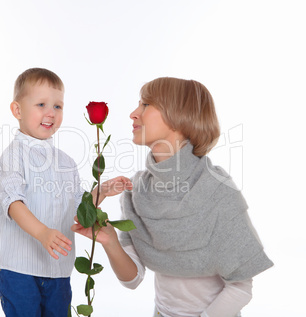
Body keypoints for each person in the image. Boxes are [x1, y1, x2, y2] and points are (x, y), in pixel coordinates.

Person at [72, 77, 274, 317]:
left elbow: (241, 286)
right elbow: (132, 279)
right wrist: (111, 242)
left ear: (179, 115)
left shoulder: (216, 190)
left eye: (145, 105)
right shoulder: (138, 190)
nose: (133, 114)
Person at [0, 68, 131, 317]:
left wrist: (101, 191)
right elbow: (13, 203)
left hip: (58, 270)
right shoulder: (14, 155)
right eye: (41, 104)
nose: (50, 113)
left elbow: (78, 208)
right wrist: (42, 232)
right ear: (17, 110)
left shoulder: (66, 162)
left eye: (58, 106)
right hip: (19, 268)